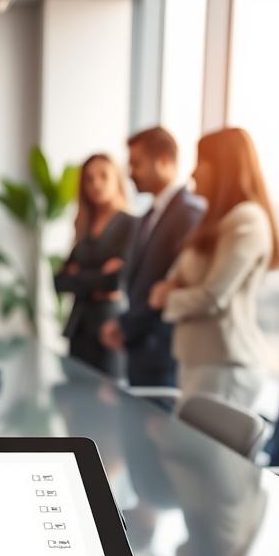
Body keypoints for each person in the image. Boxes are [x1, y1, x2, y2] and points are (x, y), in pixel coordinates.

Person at [148, 127, 279, 410]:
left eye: (200, 163)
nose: (193, 174)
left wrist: (169, 297)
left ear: (223, 167)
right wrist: (176, 290)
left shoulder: (247, 219)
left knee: (203, 455)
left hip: (226, 365)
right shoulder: (213, 221)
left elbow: (212, 297)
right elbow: (175, 277)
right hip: (199, 360)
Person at [99, 127, 206, 387]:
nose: (130, 172)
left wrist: (126, 326)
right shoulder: (148, 215)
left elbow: (173, 287)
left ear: (164, 162)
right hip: (140, 350)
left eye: (137, 164)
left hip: (163, 353)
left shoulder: (188, 214)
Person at [54, 154, 136, 378]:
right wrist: (97, 276)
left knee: (107, 397)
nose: (95, 184)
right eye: (89, 179)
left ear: (116, 179)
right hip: (78, 326)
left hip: (108, 326)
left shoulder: (128, 224)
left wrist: (79, 275)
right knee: (75, 396)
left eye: (103, 176)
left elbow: (115, 280)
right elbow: (59, 281)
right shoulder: (84, 226)